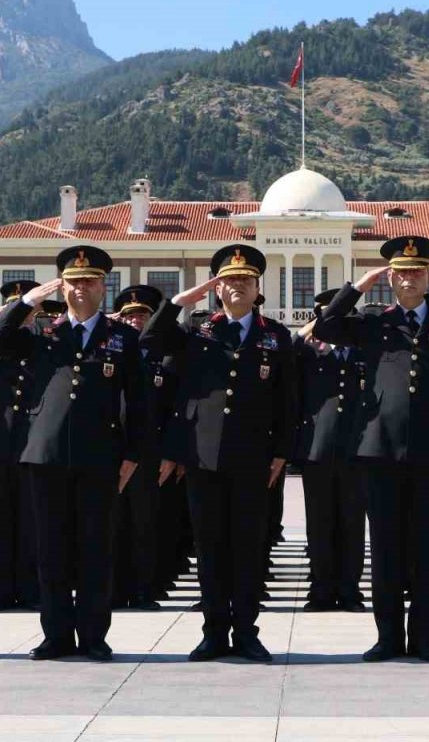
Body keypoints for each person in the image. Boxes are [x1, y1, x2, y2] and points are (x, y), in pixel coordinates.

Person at [313, 236, 429, 663]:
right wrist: (359, 287)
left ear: (428, 277)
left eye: (417, 271)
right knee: (384, 549)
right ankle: (387, 638)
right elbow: (325, 327)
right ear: (391, 278)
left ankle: (424, 639)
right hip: (379, 450)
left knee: (427, 548)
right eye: (401, 272)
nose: (409, 279)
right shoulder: (371, 321)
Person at [140, 245, 296, 663]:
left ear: (257, 287)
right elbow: (151, 339)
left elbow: (288, 400)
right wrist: (179, 302)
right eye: (229, 280)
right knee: (209, 548)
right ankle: (213, 632)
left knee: (248, 547)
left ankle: (246, 631)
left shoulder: (275, 336)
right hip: (202, 454)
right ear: (217, 288)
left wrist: (281, 452)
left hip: (253, 456)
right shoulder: (197, 331)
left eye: (245, 280)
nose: (237, 286)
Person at [0, 249, 142, 659]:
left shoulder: (123, 337)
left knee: (95, 548)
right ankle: (56, 634)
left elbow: (139, 401)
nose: (80, 288)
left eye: (89, 281)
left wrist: (133, 453)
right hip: (47, 454)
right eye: (73, 281)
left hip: (101, 455)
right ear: (63, 285)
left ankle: (93, 635)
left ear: (102, 287)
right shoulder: (44, 332)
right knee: (50, 549)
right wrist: (26, 303)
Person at [293, 289, 367, 613]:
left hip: (357, 446)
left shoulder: (363, 348)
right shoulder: (309, 352)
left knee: (352, 524)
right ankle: (321, 589)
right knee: (319, 524)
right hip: (317, 448)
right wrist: (311, 329)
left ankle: (350, 590)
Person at [0, 280, 40, 613]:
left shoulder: (44, 341)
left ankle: (30, 589)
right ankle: (1, 590)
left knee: (31, 522)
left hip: (31, 443)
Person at [109, 285, 166, 610]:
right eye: (129, 314)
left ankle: (144, 589)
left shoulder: (160, 353)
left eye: (142, 314)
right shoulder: (110, 348)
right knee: (111, 523)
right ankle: (115, 590)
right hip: (111, 448)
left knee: (144, 524)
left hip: (147, 451)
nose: (135, 320)